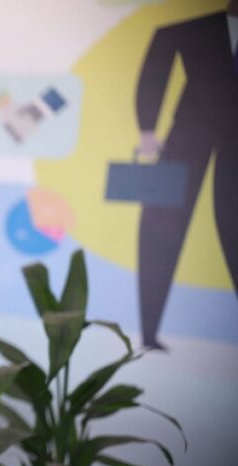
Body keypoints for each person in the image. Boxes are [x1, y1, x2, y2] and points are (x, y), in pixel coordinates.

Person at [135, 1, 238, 348]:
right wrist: (147, 127)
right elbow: (160, 55)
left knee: (233, 224)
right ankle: (148, 332)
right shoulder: (197, 25)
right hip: (188, 135)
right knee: (160, 223)